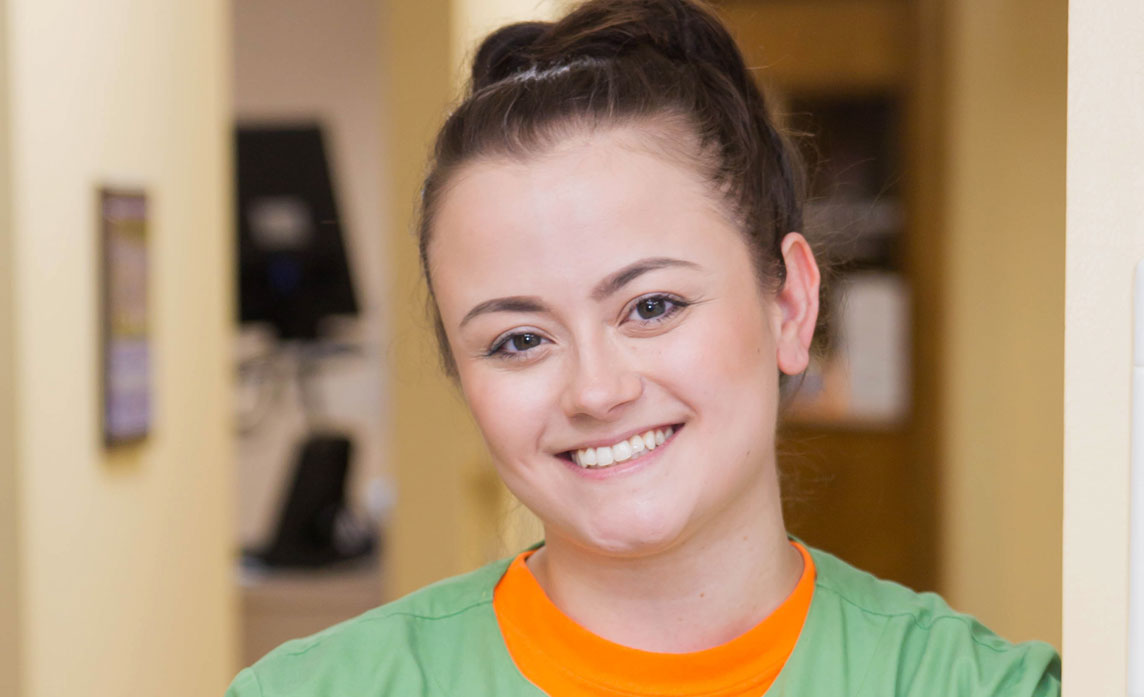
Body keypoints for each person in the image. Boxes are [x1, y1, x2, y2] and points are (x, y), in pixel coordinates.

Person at [226, 0, 1061, 694]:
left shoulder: (971, 685)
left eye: (651, 305)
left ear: (792, 304)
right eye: (519, 339)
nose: (595, 389)